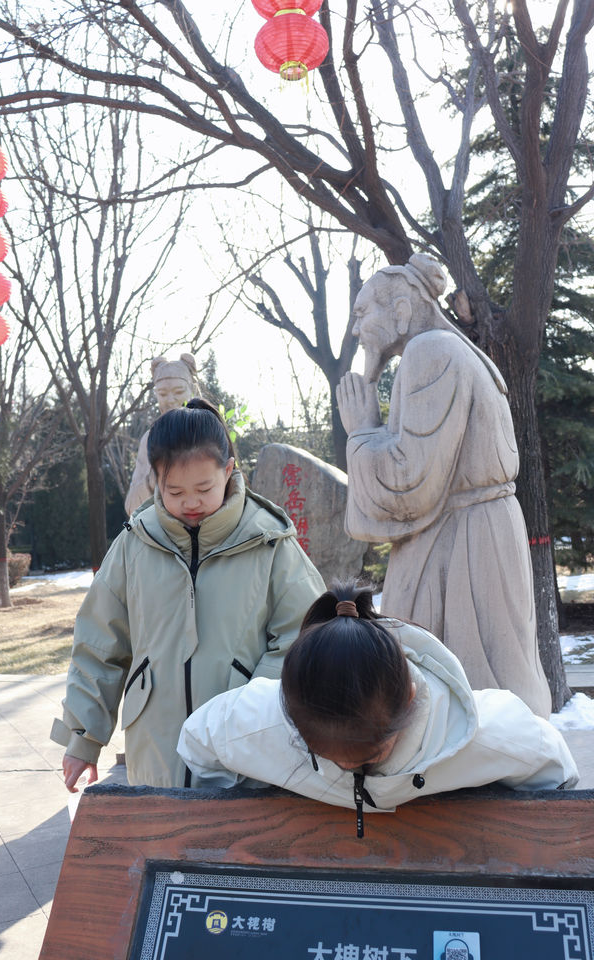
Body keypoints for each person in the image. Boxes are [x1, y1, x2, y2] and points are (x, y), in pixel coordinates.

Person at [51, 398, 325, 791]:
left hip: (247, 756)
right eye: (174, 491)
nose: (190, 502)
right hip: (155, 752)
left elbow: (307, 634)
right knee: (162, 846)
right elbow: (99, 645)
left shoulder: (269, 542)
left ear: (228, 471)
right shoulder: (135, 543)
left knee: (236, 848)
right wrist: (83, 739)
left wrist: (249, 704)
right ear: (156, 482)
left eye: (203, 487)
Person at [178, 582, 578, 838]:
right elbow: (198, 741)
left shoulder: (490, 734)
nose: (351, 768)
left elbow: (555, 772)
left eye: (368, 755)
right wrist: (250, 813)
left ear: (408, 701)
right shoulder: (256, 721)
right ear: (291, 716)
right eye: (327, 757)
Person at [335, 253, 551, 718]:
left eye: (361, 314)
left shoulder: (430, 351)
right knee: (490, 686)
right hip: (474, 529)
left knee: (471, 694)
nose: (356, 331)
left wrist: (362, 433)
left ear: (400, 311)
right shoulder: (444, 350)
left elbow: (411, 483)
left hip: (463, 545)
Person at [125, 353, 201, 515]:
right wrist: (153, 479)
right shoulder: (150, 439)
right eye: (163, 394)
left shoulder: (209, 431)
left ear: (192, 389)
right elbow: (132, 508)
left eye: (179, 391)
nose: (171, 400)